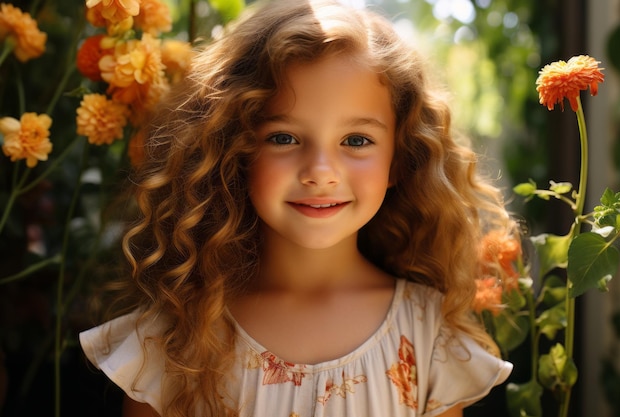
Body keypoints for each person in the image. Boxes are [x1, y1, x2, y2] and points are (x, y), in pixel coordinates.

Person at [79, 0, 517, 416]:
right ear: (234, 149)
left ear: (399, 160)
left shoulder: (428, 335)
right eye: (284, 138)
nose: (320, 172)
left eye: (356, 141)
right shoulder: (173, 337)